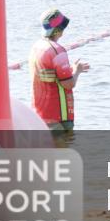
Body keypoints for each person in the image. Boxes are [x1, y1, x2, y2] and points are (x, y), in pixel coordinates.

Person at [30, 8, 89, 137]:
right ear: (59, 29)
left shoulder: (37, 47)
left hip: (39, 114)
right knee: (63, 153)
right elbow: (68, 84)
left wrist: (71, 69)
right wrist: (77, 70)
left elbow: (50, 75)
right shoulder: (57, 51)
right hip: (58, 117)